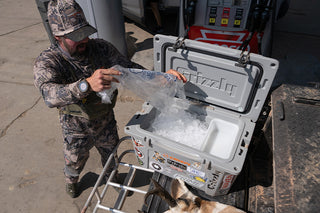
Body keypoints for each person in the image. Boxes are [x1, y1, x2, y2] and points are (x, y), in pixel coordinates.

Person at [33, 0, 186, 198]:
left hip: (105, 120)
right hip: (75, 128)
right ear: (58, 37)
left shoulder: (101, 48)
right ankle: (72, 181)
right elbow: (49, 95)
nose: (84, 39)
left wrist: (162, 78)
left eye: (85, 33)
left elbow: (131, 70)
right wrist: (86, 84)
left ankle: (112, 178)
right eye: (75, 36)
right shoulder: (48, 61)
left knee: (111, 155)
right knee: (74, 161)